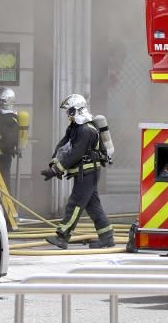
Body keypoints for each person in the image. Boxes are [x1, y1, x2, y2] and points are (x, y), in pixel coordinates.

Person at [42, 94, 114, 249]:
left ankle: (63, 236)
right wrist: (54, 163)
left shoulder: (86, 130)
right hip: (85, 172)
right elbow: (64, 145)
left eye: (69, 111)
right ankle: (106, 237)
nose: (68, 115)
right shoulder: (75, 128)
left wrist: (56, 171)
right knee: (93, 206)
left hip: (88, 172)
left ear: (76, 110)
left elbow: (76, 153)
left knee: (75, 203)